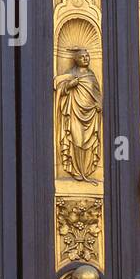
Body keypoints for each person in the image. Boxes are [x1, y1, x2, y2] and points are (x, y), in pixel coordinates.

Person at [54, 47, 102, 181]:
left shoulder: (91, 75)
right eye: (82, 56)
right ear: (76, 60)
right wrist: (69, 85)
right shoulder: (70, 74)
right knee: (76, 139)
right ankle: (75, 169)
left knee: (88, 141)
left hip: (90, 114)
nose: (86, 58)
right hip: (74, 112)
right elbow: (59, 89)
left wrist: (99, 104)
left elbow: (96, 93)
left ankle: (85, 170)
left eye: (87, 56)